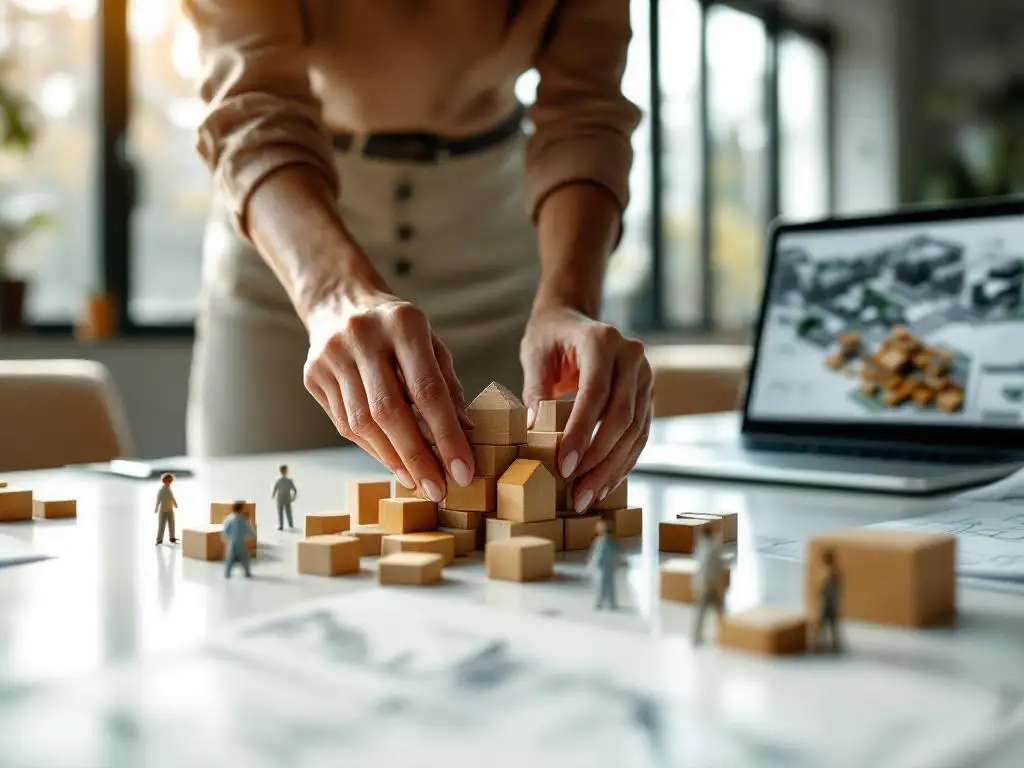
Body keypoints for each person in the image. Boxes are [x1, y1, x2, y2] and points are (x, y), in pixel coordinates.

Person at [182, 1, 654, 517]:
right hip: (291, 231)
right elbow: (252, 104)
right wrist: (329, 292)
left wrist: (569, 300)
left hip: (499, 231)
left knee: (509, 529)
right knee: (245, 521)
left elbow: (585, 110)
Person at [692, 526, 726, 646]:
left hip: (702, 584)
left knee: (703, 612)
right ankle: (723, 633)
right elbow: (719, 564)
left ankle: (697, 637)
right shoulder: (711, 549)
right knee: (718, 610)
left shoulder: (701, 548)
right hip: (709, 585)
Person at [587, 519, 619, 610]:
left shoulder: (610, 542)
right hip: (602, 566)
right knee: (601, 584)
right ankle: (601, 601)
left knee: (608, 584)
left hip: (607, 566)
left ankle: (610, 602)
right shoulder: (599, 541)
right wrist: (592, 563)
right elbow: (595, 554)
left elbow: (614, 554)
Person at [816, 549, 843, 653]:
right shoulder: (831, 572)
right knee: (829, 625)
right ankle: (829, 643)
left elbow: (829, 589)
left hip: (829, 603)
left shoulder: (832, 573)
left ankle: (828, 643)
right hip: (829, 602)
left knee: (828, 624)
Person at [222, 500, 256, 578]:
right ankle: (247, 572)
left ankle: (227, 573)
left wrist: (225, 538)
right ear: (241, 508)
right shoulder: (243, 519)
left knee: (230, 557)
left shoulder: (229, 518)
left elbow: (226, 530)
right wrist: (253, 535)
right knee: (245, 557)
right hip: (240, 542)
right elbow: (248, 529)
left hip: (232, 541)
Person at [154, 473, 178, 545]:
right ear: (164, 481)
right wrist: (156, 508)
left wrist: (175, 504)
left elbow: (172, 497)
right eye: (168, 481)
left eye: (170, 481)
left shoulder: (169, 489)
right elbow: (158, 500)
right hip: (163, 511)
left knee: (172, 524)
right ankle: (159, 539)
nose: (170, 482)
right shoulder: (162, 490)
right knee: (162, 525)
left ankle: (172, 537)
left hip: (170, 510)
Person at [271, 464, 298, 530]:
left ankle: (282, 525)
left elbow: (275, 489)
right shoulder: (288, 481)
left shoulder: (279, 480)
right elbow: (295, 490)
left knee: (282, 512)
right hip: (286, 498)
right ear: (286, 471)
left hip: (281, 498)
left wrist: (273, 495)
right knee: (287, 511)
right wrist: (293, 498)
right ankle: (289, 524)